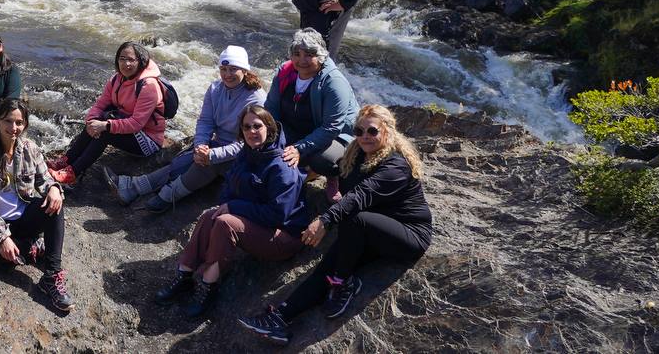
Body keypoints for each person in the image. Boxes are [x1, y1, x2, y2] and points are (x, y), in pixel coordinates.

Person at [240, 105, 432, 345]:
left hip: (408, 236)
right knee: (327, 266)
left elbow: (361, 195)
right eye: (359, 131)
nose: (364, 136)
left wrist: (325, 220)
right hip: (367, 231)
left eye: (372, 131)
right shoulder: (357, 155)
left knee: (354, 224)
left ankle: (343, 283)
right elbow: (338, 178)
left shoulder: (396, 166)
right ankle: (280, 318)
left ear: (388, 131)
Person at [154, 104, 308, 318]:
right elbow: (229, 187)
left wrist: (234, 208)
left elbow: (277, 215)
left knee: (226, 222)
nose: (252, 131)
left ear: (270, 128)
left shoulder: (282, 166)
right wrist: (226, 205)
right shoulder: (246, 154)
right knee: (210, 216)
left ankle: (209, 285)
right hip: (258, 224)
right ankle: (185, 275)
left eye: (257, 126)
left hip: (283, 236)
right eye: (246, 127)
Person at [105, 45, 264, 212]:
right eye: (223, 69)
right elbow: (205, 121)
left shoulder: (255, 99)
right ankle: (133, 188)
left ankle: (167, 196)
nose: (227, 74)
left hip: (244, 156)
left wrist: (212, 155)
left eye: (233, 69)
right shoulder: (215, 88)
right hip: (216, 145)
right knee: (184, 161)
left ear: (244, 70)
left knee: (208, 164)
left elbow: (249, 143)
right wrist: (201, 146)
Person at [0, 98, 73, 313]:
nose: (13, 128)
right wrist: (3, 237)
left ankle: (51, 276)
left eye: (19, 122)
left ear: (25, 124)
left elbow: (44, 180)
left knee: (55, 206)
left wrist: (54, 188)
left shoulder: (29, 148)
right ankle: (32, 246)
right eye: (8, 121)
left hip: (23, 216)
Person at [48, 41, 166, 186]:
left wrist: (106, 126)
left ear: (140, 61)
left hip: (148, 140)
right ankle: (66, 160)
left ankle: (73, 173)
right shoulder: (116, 79)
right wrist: (91, 120)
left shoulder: (149, 86)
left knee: (105, 132)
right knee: (95, 122)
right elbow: (100, 104)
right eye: (122, 59)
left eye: (131, 60)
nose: (126, 64)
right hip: (129, 129)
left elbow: (136, 123)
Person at [264, 28, 359, 200]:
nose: (302, 60)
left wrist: (299, 148)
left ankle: (332, 177)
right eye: (297, 54)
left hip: (336, 136)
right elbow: (271, 108)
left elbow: (331, 128)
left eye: (309, 55)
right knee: (262, 140)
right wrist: (270, 134)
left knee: (322, 159)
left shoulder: (333, 82)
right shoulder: (284, 72)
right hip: (298, 128)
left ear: (321, 55)